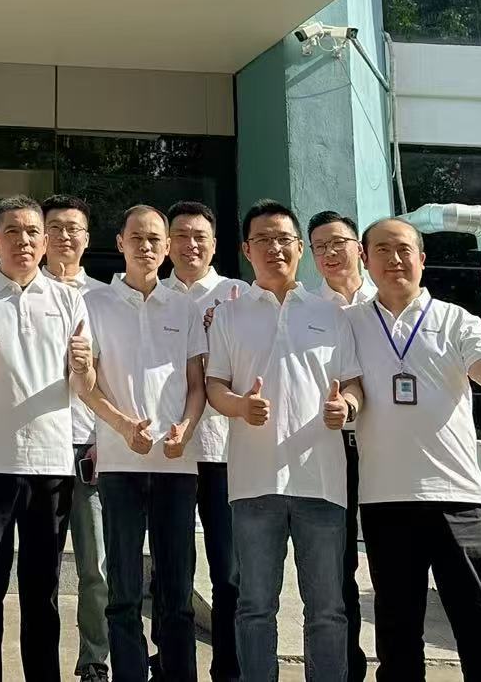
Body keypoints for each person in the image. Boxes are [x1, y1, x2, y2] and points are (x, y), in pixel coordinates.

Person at [347, 218, 481, 682]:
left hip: (458, 497)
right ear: (365, 260)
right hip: (385, 499)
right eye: (382, 250)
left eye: (404, 249)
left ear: (422, 259)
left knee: (479, 627)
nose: (394, 259)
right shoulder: (352, 323)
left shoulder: (456, 319)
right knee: (397, 634)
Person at [205, 201, 364, 682]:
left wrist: (347, 407)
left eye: (283, 239)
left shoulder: (331, 313)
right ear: (246, 250)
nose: (274, 248)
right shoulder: (229, 316)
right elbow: (214, 386)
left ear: (299, 248)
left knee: (328, 609)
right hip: (254, 484)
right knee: (255, 606)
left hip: (323, 483)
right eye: (263, 240)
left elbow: (353, 383)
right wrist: (240, 407)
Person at [0, 195, 97, 682]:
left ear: (45, 241)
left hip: (50, 466)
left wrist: (85, 368)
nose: (24, 241)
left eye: (32, 232)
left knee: (41, 590)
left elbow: (84, 385)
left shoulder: (69, 299)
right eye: (12, 231)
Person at [80, 206, 206, 682]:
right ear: (120, 242)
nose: (146, 246)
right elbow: (85, 383)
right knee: (124, 592)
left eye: (155, 238)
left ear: (167, 247)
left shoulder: (184, 307)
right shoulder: (94, 303)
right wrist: (122, 426)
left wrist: (185, 430)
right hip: (120, 466)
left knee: (176, 593)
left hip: (177, 465)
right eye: (137, 237)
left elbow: (197, 385)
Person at [163, 201, 247, 682]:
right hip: (168, 454)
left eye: (200, 236)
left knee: (228, 573)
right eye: (180, 235)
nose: (190, 245)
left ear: (214, 245)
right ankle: (173, 667)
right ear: (166, 243)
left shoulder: (239, 294)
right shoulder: (154, 294)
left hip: (225, 452)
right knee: (172, 573)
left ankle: (229, 670)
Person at [41, 194, 110, 682]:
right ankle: (41, 661)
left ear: (87, 238)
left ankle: (94, 661)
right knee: (40, 569)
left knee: (96, 567)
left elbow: (116, 376)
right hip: (36, 448)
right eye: (56, 227)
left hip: (90, 448)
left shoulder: (104, 298)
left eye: (74, 228)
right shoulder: (23, 290)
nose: (65, 236)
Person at [308, 211, 375, 682]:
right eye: (320, 247)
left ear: (359, 250)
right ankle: (347, 667)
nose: (330, 253)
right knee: (339, 565)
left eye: (338, 243)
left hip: (388, 447)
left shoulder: (385, 300)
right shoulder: (309, 307)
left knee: (391, 561)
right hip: (334, 448)